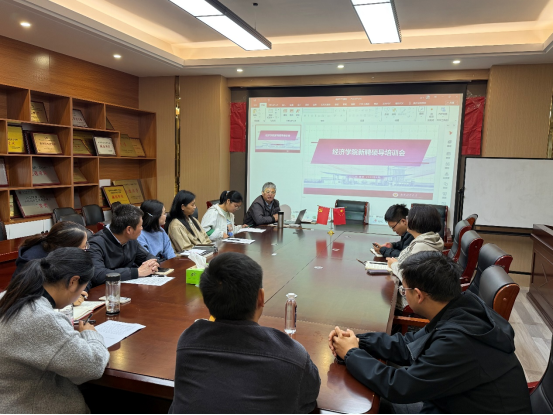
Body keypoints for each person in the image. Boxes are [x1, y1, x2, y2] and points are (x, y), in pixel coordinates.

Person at [329, 252, 531, 414]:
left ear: (418, 295)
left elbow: (399, 386)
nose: (404, 294)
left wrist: (352, 354)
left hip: (451, 406)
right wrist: (359, 341)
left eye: (404, 290)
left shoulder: (458, 340)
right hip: (450, 402)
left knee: (358, 404)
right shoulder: (460, 308)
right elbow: (410, 346)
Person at [170, 252, 321, 414]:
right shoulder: (292, 356)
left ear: (206, 299)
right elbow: (309, 397)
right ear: (261, 297)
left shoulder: (188, 341)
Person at [0, 248, 110, 414]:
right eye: (83, 288)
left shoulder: (10, 296)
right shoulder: (41, 318)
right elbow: (92, 366)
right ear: (73, 282)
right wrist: (91, 334)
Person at [13, 221, 90, 306]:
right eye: (83, 247)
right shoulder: (31, 260)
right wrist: (66, 297)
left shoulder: (67, 256)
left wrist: (79, 292)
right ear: (68, 247)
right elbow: (25, 295)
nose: (85, 250)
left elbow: (85, 275)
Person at [387, 204, 444, 309]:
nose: (406, 220)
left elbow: (408, 278)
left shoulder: (422, 246)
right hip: (414, 290)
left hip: (411, 298)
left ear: (417, 222)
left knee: (382, 295)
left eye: (409, 217)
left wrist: (394, 265)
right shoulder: (427, 239)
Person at [88, 204, 158, 287]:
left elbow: (146, 256)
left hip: (127, 287)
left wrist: (152, 264)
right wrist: (137, 272)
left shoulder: (131, 240)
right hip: (105, 290)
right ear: (129, 229)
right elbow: (98, 275)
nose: (142, 229)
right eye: (140, 226)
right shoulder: (95, 244)